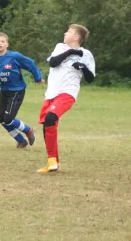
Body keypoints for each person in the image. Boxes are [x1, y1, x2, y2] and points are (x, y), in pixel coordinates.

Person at [37, 24, 95, 173]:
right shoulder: (60, 47)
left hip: (67, 93)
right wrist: (70, 52)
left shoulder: (86, 54)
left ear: (76, 37)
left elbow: (90, 78)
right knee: (47, 125)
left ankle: (52, 162)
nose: (65, 33)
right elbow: (53, 62)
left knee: (50, 118)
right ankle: (53, 162)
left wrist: (82, 67)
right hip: (51, 94)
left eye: (68, 32)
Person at [0, 32, 45, 149]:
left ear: (7, 44)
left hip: (17, 91)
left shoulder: (14, 56)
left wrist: (37, 77)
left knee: (8, 119)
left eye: (2, 41)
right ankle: (21, 141)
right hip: (4, 92)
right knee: (1, 118)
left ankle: (28, 130)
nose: (0, 44)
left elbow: (30, 64)